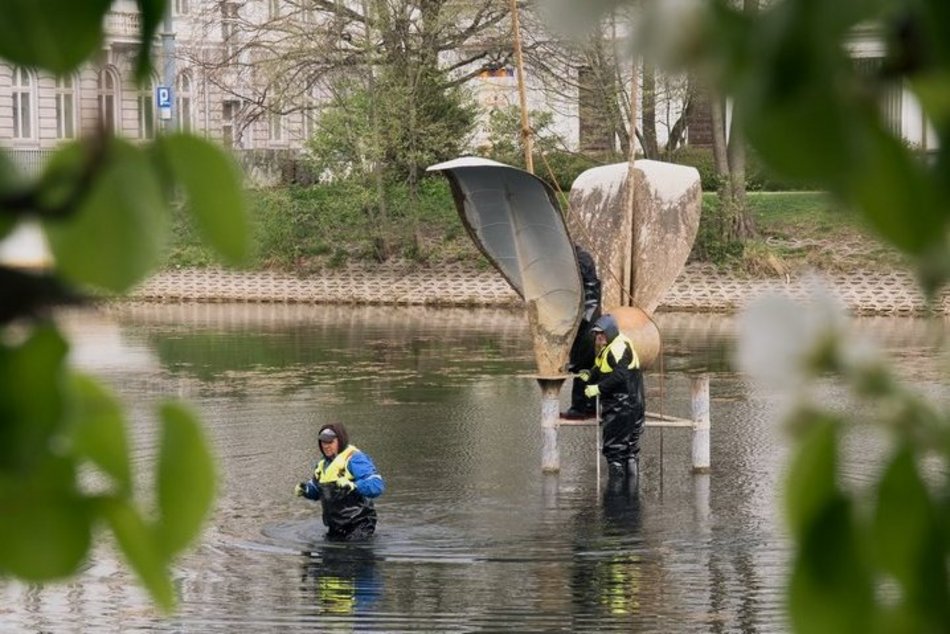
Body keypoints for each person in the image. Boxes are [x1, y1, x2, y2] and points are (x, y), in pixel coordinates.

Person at [581, 314, 645, 486]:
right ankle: (631, 496)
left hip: (621, 406)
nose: (598, 338)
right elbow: (603, 366)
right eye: (596, 334)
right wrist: (591, 375)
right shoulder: (617, 344)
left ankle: (616, 498)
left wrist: (597, 388)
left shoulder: (617, 348)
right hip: (634, 403)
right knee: (630, 448)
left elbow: (620, 376)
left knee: (615, 451)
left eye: (601, 334)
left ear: (609, 332)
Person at [295, 423, 385, 541]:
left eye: (330, 442)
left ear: (340, 441)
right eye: (323, 442)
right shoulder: (322, 465)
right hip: (336, 526)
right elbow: (317, 490)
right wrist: (306, 490)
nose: (326, 446)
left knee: (349, 554)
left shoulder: (355, 458)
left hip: (360, 524)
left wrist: (354, 486)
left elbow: (377, 485)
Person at [562, 243, 602, 420]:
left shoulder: (579, 259)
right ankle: (591, 406)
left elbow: (589, 291)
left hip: (586, 319)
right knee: (589, 366)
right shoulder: (583, 257)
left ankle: (579, 408)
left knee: (581, 367)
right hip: (591, 317)